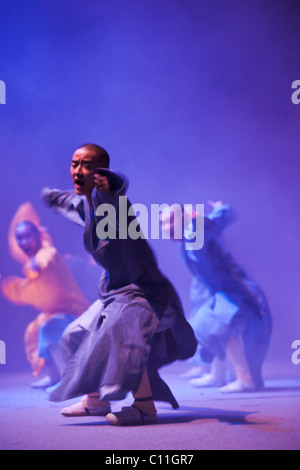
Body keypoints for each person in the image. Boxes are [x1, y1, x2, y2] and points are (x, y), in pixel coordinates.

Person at [41, 143, 197, 425]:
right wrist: (52, 197)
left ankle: (145, 408)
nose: (78, 171)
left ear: (101, 172)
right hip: (115, 295)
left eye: (87, 166)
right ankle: (96, 401)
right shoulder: (86, 205)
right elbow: (70, 203)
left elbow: (116, 191)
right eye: (75, 164)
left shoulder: (111, 203)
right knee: (74, 336)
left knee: (122, 331)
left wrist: (110, 185)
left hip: (147, 295)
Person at [160, 201, 272, 393]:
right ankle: (219, 374)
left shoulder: (197, 230)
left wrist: (220, 209)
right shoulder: (191, 237)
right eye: (164, 223)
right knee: (210, 327)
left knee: (219, 326)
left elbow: (218, 219)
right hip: (225, 293)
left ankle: (245, 379)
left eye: (170, 221)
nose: (166, 228)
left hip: (238, 292)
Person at [0, 202, 90, 388]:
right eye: (20, 238)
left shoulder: (47, 253)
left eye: (27, 236)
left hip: (75, 312)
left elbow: (44, 264)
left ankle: (68, 378)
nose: (24, 242)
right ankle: (55, 375)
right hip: (58, 313)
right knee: (38, 329)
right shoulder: (34, 256)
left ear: (38, 235)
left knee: (48, 328)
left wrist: (35, 268)